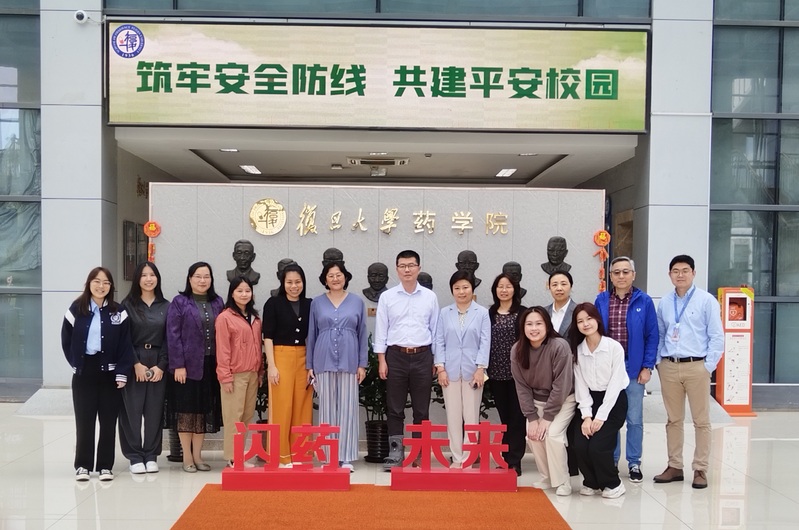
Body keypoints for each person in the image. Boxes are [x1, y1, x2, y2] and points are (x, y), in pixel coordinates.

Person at [653, 255, 724, 490]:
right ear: (670, 274)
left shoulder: (706, 301)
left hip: (697, 366)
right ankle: (674, 466)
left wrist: (707, 366)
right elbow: (660, 334)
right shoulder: (665, 302)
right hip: (669, 365)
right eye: (675, 271)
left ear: (693, 273)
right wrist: (659, 362)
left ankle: (700, 468)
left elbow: (717, 336)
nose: (680, 275)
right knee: (673, 419)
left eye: (685, 270)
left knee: (701, 420)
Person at [61, 267, 134, 482]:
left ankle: (105, 466)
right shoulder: (76, 309)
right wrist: (76, 363)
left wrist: (121, 373)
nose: (101, 286)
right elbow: (66, 339)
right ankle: (83, 465)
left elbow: (126, 344)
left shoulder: (119, 312)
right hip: (84, 372)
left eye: (106, 282)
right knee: (84, 421)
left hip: (110, 373)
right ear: (89, 283)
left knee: (108, 422)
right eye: (96, 281)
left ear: (111, 286)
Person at [594, 256, 658, 483]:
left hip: (633, 368)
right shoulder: (601, 300)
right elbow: (594, 333)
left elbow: (652, 336)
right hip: (608, 369)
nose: (621, 276)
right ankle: (612, 459)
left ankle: (634, 462)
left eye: (625, 272)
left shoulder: (644, 301)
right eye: (616, 272)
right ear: (610, 276)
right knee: (610, 416)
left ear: (633, 275)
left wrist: (647, 366)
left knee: (634, 418)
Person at [374, 249, 439, 470]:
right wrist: (382, 360)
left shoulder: (429, 297)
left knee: (421, 409)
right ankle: (395, 454)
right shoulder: (387, 297)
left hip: (423, 356)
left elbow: (435, 330)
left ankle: (420, 452)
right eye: (402, 266)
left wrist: (435, 361)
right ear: (397, 269)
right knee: (394, 408)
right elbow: (381, 329)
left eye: (411, 265)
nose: (407, 270)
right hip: (395, 356)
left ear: (419, 268)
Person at [306, 262, 367, 471]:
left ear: (345, 277)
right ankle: (328, 456)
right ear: (325, 279)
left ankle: (346, 456)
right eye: (330, 275)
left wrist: (362, 364)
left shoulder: (357, 301)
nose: (335, 279)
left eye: (338, 274)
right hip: (323, 360)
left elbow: (362, 334)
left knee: (348, 409)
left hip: (350, 361)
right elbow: (312, 334)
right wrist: (310, 365)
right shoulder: (317, 303)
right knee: (327, 410)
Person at [165, 262, 224, 473]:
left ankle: (198, 456)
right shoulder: (180, 302)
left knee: (202, 413)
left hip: (210, 365)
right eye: (198, 276)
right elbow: (173, 335)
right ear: (190, 279)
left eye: (206, 276)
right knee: (187, 413)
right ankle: (187, 457)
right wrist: (178, 365)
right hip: (186, 368)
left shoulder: (218, 302)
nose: (202, 280)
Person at [567, 303, 630, 499]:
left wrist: (600, 417)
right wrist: (587, 416)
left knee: (598, 446)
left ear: (597, 320)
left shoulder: (613, 347)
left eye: (589, 319)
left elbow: (615, 384)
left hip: (613, 401)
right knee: (580, 443)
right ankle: (591, 482)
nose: (585, 324)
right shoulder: (578, 351)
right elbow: (581, 386)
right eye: (580, 321)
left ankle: (613, 484)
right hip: (589, 401)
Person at [511, 307, 576, 496]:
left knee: (553, 435)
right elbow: (521, 387)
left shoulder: (559, 346)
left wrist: (547, 418)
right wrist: (532, 418)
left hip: (563, 400)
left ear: (547, 325)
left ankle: (563, 481)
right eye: (529, 324)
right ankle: (547, 477)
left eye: (539, 323)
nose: (534, 328)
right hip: (536, 401)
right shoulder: (517, 350)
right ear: (523, 327)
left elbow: (561, 386)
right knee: (533, 435)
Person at [434, 271, 490, 468]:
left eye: (465, 287)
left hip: (473, 372)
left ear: (472, 289)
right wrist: (440, 368)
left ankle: (469, 458)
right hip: (449, 372)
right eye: (457, 288)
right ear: (452, 290)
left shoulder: (482, 313)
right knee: (453, 416)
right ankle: (457, 458)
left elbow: (485, 342)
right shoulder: (444, 313)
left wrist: (480, 368)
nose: (461, 291)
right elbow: (439, 341)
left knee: (471, 417)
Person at [118, 262, 170, 475]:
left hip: (158, 359)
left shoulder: (166, 306)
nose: (149, 279)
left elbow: (170, 338)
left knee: (154, 411)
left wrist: (162, 365)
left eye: (152, 275)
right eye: (144, 275)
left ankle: (151, 455)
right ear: (137, 279)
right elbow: (123, 337)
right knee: (131, 410)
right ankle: (134, 456)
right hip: (134, 359)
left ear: (158, 278)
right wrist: (135, 363)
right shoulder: (127, 305)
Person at [262, 263, 313, 466]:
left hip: (304, 358)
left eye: (298, 282)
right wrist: (271, 365)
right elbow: (267, 336)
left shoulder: (310, 304)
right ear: (283, 283)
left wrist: (311, 365)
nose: (294, 286)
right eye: (289, 282)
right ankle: (280, 455)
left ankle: (300, 454)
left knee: (303, 406)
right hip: (280, 356)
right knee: (282, 406)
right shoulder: (273, 303)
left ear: (303, 283)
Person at [215, 276, 264, 468]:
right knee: (233, 416)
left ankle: (240, 455)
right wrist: (225, 377)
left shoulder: (255, 318)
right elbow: (223, 349)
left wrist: (260, 372)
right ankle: (232, 457)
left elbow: (258, 347)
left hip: (252, 374)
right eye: (240, 291)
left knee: (246, 416)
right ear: (232, 293)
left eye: (247, 291)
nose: (244, 294)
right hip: (234, 375)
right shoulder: (225, 317)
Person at [487, 272, 527, 476]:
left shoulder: (523, 313)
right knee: (504, 417)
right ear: (495, 290)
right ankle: (505, 457)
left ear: (515, 289)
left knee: (517, 418)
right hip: (496, 373)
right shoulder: (490, 313)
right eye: (500, 286)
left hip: (518, 375)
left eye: (508, 286)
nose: (504, 290)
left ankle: (515, 460)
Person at [545, 271, 576, 336]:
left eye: (563, 284)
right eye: (554, 285)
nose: (559, 288)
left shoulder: (578, 311)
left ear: (571, 286)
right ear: (549, 287)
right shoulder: (544, 312)